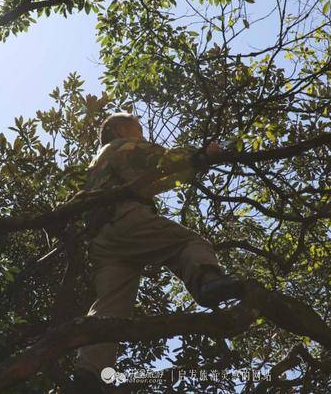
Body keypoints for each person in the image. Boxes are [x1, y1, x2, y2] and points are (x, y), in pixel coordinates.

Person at [66, 112, 245, 393]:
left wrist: (195, 164)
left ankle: (88, 374)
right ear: (119, 129)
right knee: (187, 243)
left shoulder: (98, 164)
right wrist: (200, 155)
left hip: (102, 240)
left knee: (109, 309)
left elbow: (156, 179)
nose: (140, 131)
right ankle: (208, 281)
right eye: (136, 126)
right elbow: (161, 160)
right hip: (125, 219)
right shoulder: (120, 147)